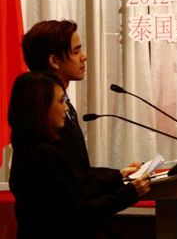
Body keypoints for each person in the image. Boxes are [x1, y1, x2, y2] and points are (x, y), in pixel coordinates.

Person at [8, 71, 150, 239]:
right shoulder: (41, 155)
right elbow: (76, 213)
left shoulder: (29, 147)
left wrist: (119, 175)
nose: (66, 108)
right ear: (41, 107)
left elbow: (79, 180)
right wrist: (129, 193)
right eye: (61, 101)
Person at [21, 20, 139, 181]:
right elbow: (72, 181)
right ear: (54, 61)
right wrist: (130, 190)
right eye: (76, 52)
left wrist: (120, 174)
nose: (84, 57)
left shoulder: (64, 105)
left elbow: (79, 171)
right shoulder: (45, 115)